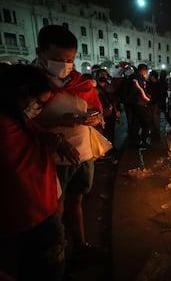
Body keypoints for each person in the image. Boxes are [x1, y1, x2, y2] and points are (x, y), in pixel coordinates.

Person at [0, 64, 79, 280]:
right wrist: (49, 146)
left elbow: (37, 133)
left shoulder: (19, 118)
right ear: (23, 95)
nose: (41, 110)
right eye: (40, 103)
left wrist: (57, 141)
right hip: (25, 217)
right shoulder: (5, 125)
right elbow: (21, 162)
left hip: (41, 209)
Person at [33, 25, 103, 259]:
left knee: (77, 204)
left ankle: (81, 248)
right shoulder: (30, 83)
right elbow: (23, 122)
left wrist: (95, 117)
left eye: (70, 59)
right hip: (52, 157)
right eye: (57, 59)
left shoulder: (80, 81)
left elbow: (94, 107)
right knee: (56, 210)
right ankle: (58, 257)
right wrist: (57, 122)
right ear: (40, 52)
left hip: (83, 153)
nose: (64, 65)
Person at [131, 63, 152, 148]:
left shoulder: (137, 77)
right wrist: (148, 99)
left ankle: (137, 140)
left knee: (137, 122)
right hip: (139, 103)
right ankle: (142, 141)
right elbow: (140, 91)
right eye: (145, 71)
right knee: (146, 122)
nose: (146, 72)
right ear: (143, 70)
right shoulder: (137, 78)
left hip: (137, 103)